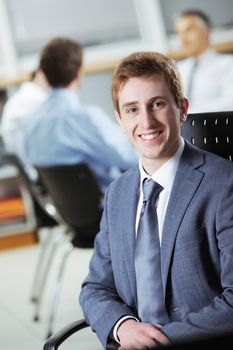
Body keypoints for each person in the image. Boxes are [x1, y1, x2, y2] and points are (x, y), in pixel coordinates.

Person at [79, 51, 233, 349]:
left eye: (158, 104)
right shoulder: (118, 194)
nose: (146, 121)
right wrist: (124, 328)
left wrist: (152, 342)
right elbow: (95, 287)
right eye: (132, 109)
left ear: (182, 108)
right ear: (120, 120)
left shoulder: (224, 184)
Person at [23, 37, 138, 193]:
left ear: (43, 73)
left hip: (68, 213)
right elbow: (130, 158)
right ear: (79, 74)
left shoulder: (31, 121)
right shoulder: (86, 118)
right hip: (111, 206)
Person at [174, 9, 233, 113]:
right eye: (179, 33)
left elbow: (230, 103)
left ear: (207, 31)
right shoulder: (176, 69)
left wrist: (187, 113)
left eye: (188, 30)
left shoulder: (228, 64)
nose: (183, 39)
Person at [0, 69, 48, 180]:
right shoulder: (35, 100)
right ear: (40, 74)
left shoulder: (22, 97)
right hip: (40, 175)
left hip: (33, 174)